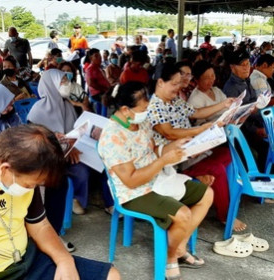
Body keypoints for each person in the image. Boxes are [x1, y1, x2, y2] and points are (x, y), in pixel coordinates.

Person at [0, 124, 120, 280]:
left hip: (26, 262)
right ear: (6, 169)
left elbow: (40, 226)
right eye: (30, 184)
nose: (32, 189)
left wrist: (64, 259)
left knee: (111, 276)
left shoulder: (23, 174)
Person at [98, 82, 213, 280]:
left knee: (206, 193)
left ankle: (178, 247)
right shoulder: (112, 136)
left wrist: (176, 146)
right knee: (182, 214)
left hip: (157, 178)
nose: (147, 112)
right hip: (133, 192)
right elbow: (131, 181)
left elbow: (153, 151)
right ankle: (170, 258)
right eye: (143, 108)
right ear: (125, 110)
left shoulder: (139, 122)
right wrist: (163, 161)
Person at [147, 63, 246, 232]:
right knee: (217, 168)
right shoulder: (155, 106)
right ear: (160, 82)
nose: (178, 87)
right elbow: (169, 133)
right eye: (174, 83)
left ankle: (214, 188)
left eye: (180, 83)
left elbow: (195, 112)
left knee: (228, 154)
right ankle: (225, 215)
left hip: (192, 150)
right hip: (175, 160)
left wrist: (223, 105)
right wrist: (201, 130)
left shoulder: (175, 100)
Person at [28, 69, 113, 215]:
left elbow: (76, 129)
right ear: (51, 84)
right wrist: (64, 147)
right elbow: (37, 141)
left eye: (67, 81)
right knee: (81, 171)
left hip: (74, 149)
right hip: (52, 157)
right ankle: (76, 199)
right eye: (63, 82)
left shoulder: (67, 105)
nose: (67, 84)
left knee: (106, 162)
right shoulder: (37, 110)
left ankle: (110, 203)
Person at [187, 60, 231, 125]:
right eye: (207, 78)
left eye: (213, 76)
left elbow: (228, 108)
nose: (211, 80)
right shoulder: (195, 100)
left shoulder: (216, 90)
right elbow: (201, 125)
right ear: (197, 80)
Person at [68, 24, 89, 88]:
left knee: (82, 74)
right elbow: (69, 47)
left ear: (80, 29)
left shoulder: (83, 38)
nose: (77, 30)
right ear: (74, 29)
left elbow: (86, 48)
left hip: (81, 58)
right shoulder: (71, 38)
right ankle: (73, 88)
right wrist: (71, 52)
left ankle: (82, 89)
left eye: (78, 28)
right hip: (74, 58)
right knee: (73, 74)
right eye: (76, 28)